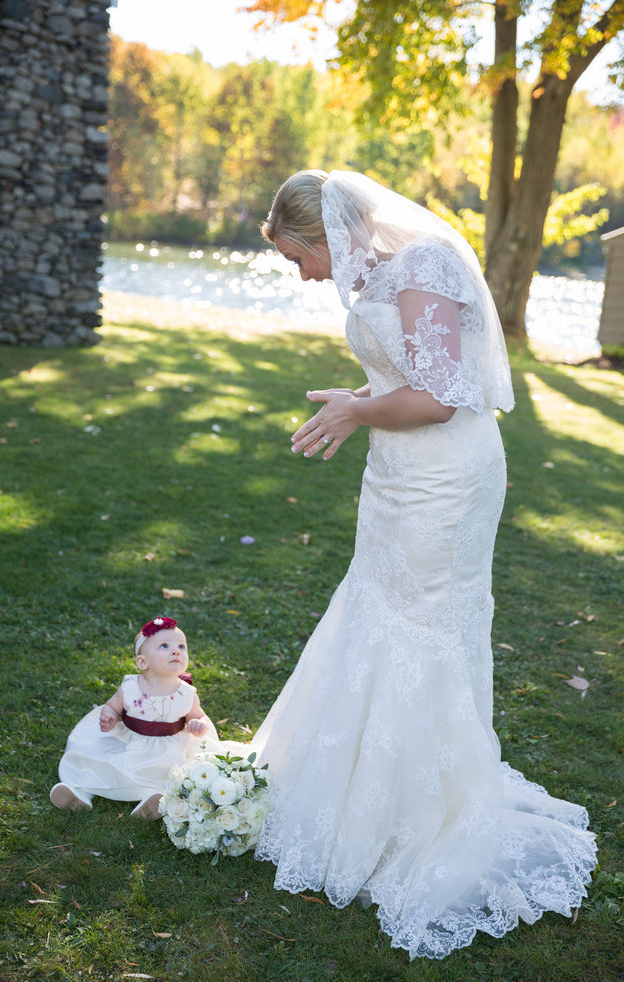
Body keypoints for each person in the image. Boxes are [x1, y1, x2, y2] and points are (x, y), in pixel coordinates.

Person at [249, 170, 597, 959]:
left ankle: (422, 812)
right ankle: (356, 789)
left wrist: (356, 408)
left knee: (423, 622)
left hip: (444, 474)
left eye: (296, 257)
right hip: (399, 471)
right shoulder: (383, 273)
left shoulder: (426, 266)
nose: (301, 273)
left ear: (325, 234)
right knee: (377, 606)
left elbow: (440, 398)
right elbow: (406, 379)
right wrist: (361, 397)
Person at [50, 616, 218, 820]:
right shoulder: (130, 687)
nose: (176, 651)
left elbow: (197, 715)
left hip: (168, 746)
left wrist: (198, 724)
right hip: (127, 739)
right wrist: (109, 717)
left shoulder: (187, 693)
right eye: (164, 646)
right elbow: (112, 706)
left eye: (181, 646)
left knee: (170, 774)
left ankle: (153, 800)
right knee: (97, 760)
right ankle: (79, 793)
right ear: (142, 662)